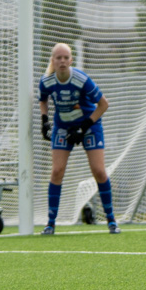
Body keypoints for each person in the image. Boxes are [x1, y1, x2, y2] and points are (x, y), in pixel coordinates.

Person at [38, 43, 119, 235]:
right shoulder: (47, 81)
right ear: (53, 60)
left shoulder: (81, 79)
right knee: (57, 171)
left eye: (66, 57)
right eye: (59, 58)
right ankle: (50, 224)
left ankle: (111, 220)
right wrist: (44, 121)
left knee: (99, 171)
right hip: (63, 127)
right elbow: (43, 99)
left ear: (71, 60)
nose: (62, 61)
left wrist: (83, 128)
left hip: (89, 126)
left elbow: (103, 104)